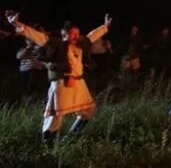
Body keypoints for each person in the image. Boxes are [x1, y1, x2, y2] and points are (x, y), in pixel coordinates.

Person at [6, 10, 111, 143]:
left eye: (77, 34)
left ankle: (71, 138)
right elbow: (38, 36)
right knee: (56, 115)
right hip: (62, 83)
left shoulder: (80, 45)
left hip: (79, 83)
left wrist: (105, 26)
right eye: (71, 34)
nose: (75, 37)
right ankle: (48, 145)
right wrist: (17, 23)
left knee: (89, 110)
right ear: (63, 35)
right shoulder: (56, 45)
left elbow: (91, 36)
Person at [16, 36, 46, 100]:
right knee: (25, 86)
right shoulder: (23, 49)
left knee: (34, 85)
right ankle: (26, 99)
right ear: (26, 42)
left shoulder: (38, 48)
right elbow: (18, 56)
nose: (30, 42)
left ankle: (35, 98)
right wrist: (27, 48)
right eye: (28, 40)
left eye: (31, 40)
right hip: (25, 69)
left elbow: (43, 53)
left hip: (36, 69)